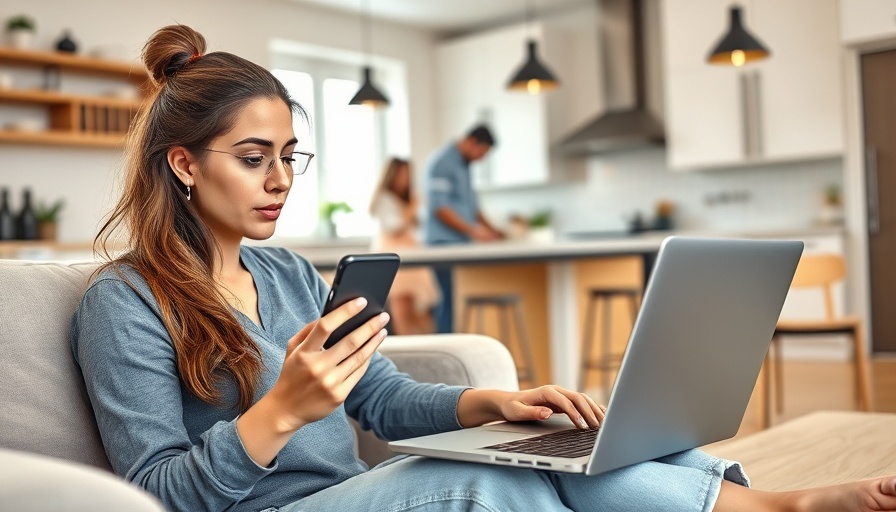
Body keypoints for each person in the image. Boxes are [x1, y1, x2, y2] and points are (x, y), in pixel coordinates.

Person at [69, 24, 896, 512]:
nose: (281, 179)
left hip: (350, 493)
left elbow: (383, 401)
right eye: (254, 158)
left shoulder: (283, 272)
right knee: (497, 485)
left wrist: (492, 401)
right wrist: (279, 412)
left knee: (570, 442)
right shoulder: (125, 302)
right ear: (182, 163)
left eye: (290, 155)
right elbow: (156, 494)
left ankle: (785, 501)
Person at [423, 124, 505, 333]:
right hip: (443, 245)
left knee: (457, 300)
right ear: (471, 142)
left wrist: (493, 230)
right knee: (447, 303)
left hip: (460, 244)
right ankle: (443, 354)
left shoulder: (464, 165)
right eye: (482, 152)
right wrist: (474, 231)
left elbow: (471, 208)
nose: (482, 158)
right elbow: (440, 208)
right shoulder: (442, 163)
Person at [369, 157, 440, 335]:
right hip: (395, 256)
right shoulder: (385, 200)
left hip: (412, 257)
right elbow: (395, 227)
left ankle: (427, 350)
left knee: (420, 310)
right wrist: (413, 207)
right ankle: (408, 352)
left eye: (408, 175)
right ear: (392, 175)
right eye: (402, 174)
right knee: (402, 308)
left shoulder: (405, 200)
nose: (406, 179)